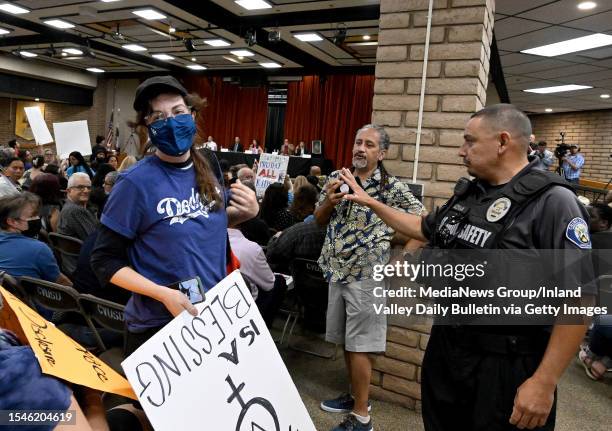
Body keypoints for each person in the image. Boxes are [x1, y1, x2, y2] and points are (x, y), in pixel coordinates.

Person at [340, 105, 593, 431]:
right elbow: (423, 228)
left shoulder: (553, 202)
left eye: (470, 141)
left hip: (506, 361)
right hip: (450, 347)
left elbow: (579, 298)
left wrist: (545, 381)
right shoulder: (471, 193)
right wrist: (371, 201)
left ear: (502, 141)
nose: (461, 150)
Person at [90, 75, 258, 355]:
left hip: (213, 313)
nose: (170, 121)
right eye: (158, 116)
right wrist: (162, 293)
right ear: (148, 127)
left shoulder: (209, 165)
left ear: (192, 114)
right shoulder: (134, 182)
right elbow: (104, 260)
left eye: (178, 112)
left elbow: (201, 224)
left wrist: (245, 214)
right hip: (160, 326)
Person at [315, 124, 425, 431]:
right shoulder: (337, 178)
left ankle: (362, 417)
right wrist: (329, 202)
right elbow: (318, 219)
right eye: (358, 142)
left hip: (367, 276)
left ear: (383, 153)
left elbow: (424, 223)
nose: (361, 149)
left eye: (369, 145)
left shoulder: (391, 188)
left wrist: (405, 256)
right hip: (337, 269)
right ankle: (354, 396)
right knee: (347, 342)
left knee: (361, 344)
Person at [0, 192, 71, 285]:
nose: (37, 218)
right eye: (32, 216)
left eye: (37, 214)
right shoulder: (39, 249)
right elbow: (62, 284)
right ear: (12, 221)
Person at [228, 225, 286, 327]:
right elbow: (269, 284)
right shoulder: (251, 248)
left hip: (220, 298)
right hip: (241, 302)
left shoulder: (201, 242)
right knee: (279, 282)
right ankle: (263, 328)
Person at [58, 172, 98, 241]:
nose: (86, 191)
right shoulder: (75, 210)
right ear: (69, 191)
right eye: (80, 187)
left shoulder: (69, 204)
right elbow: (95, 239)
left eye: (88, 187)